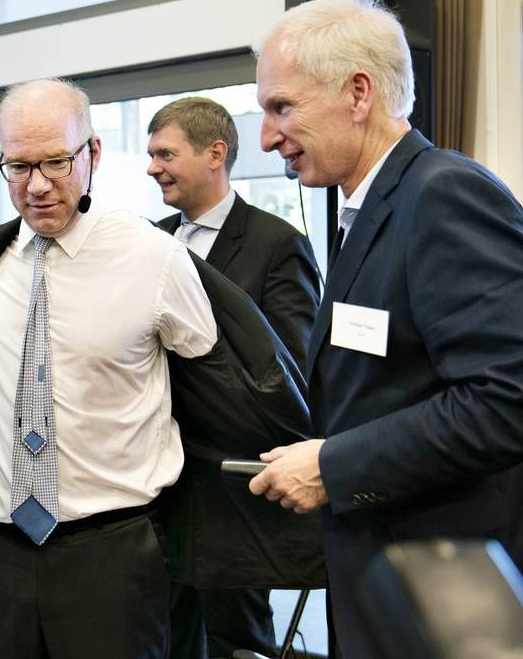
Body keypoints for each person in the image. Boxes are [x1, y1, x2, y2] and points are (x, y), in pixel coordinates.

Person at [0, 78, 318, 659]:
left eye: (56, 163)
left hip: (112, 554)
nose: (37, 186)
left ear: (92, 154)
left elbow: (221, 389)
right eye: (18, 167)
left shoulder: (154, 259)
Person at [248, 0, 523, 659]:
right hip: (384, 570)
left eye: (282, 107)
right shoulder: (363, 211)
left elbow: (506, 399)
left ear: (359, 92)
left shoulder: (443, 195)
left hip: (449, 588)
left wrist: (334, 465)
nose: (266, 136)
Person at [148, 96, 319, 658]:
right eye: (152, 155)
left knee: (236, 642)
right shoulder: (149, 242)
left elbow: (292, 368)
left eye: (165, 154)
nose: (153, 168)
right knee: (165, 637)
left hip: (232, 493)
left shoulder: (277, 244)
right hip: (157, 485)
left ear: (215, 153)